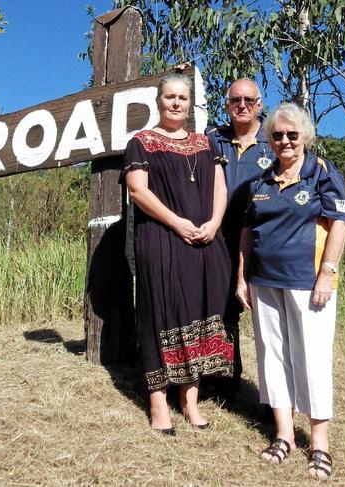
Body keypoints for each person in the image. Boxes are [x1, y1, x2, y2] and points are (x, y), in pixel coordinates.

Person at [235, 103, 345, 480]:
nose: (285, 141)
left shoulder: (323, 173)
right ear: (269, 140)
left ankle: (319, 443)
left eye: (292, 135)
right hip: (264, 282)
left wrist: (327, 274)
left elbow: (338, 225)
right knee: (272, 356)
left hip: (307, 282)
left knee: (312, 358)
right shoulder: (260, 181)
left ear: (305, 137)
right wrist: (242, 278)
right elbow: (247, 233)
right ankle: (284, 434)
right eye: (278, 135)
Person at [123, 72, 234, 435]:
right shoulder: (141, 141)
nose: (176, 103)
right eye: (169, 97)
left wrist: (215, 222)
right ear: (158, 101)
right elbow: (138, 190)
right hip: (161, 239)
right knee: (160, 314)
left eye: (182, 98)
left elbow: (220, 187)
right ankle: (158, 403)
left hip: (204, 241)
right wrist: (177, 223)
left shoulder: (205, 143)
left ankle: (190, 401)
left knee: (199, 311)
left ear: (190, 103)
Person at [206, 79, 276, 394]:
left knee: (267, 318)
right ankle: (225, 380)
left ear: (260, 104)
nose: (242, 105)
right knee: (221, 309)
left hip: (262, 242)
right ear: (227, 105)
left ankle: (272, 397)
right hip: (219, 238)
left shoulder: (275, 140)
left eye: (249, 100)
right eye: (236, 100)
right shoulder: (212, 139)